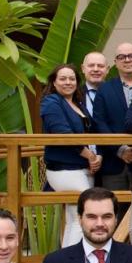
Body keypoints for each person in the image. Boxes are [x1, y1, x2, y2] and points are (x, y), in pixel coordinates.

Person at [40, 63, 103, 247]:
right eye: (63, 78)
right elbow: (63, 134)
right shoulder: (51, 102)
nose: (68, 82)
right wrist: (90, 156)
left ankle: (66, 261)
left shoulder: (77, 103)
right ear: (53, 82)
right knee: (83, 216)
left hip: (83, 168)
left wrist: (97, 156)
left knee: (74, 217)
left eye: (72, 78)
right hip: (64, 169)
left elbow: (90, 135)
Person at [92, 42, 132, 194]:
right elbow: (99, 122)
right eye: (121, 57)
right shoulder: (104, 89)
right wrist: (120, 149)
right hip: (113, 162)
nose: (127, 60)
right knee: (114, 209)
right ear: (116, 62)